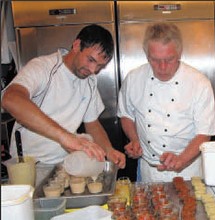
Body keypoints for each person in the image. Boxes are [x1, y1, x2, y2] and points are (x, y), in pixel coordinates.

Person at [1, 24, 126, 168]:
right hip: (29, 165)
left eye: (100, 66)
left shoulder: (89, 81)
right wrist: (65, 137)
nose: (93, 70)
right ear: (77, 45)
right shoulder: (43, 67)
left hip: (65, 165)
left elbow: (92, 123)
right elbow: (10, 99)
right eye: (91, 60)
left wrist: (108, 150)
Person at [117, 23, 215, 182]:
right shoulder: (133, 79)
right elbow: (126, 115)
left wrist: (182, 159)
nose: (162, 67)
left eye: (169, 59)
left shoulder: (199, 83)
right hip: (148, 172)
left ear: (179, 52)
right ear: (146, 54)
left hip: (188, 172)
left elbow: (204, 133)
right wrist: (134, 139)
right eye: (155, 60)